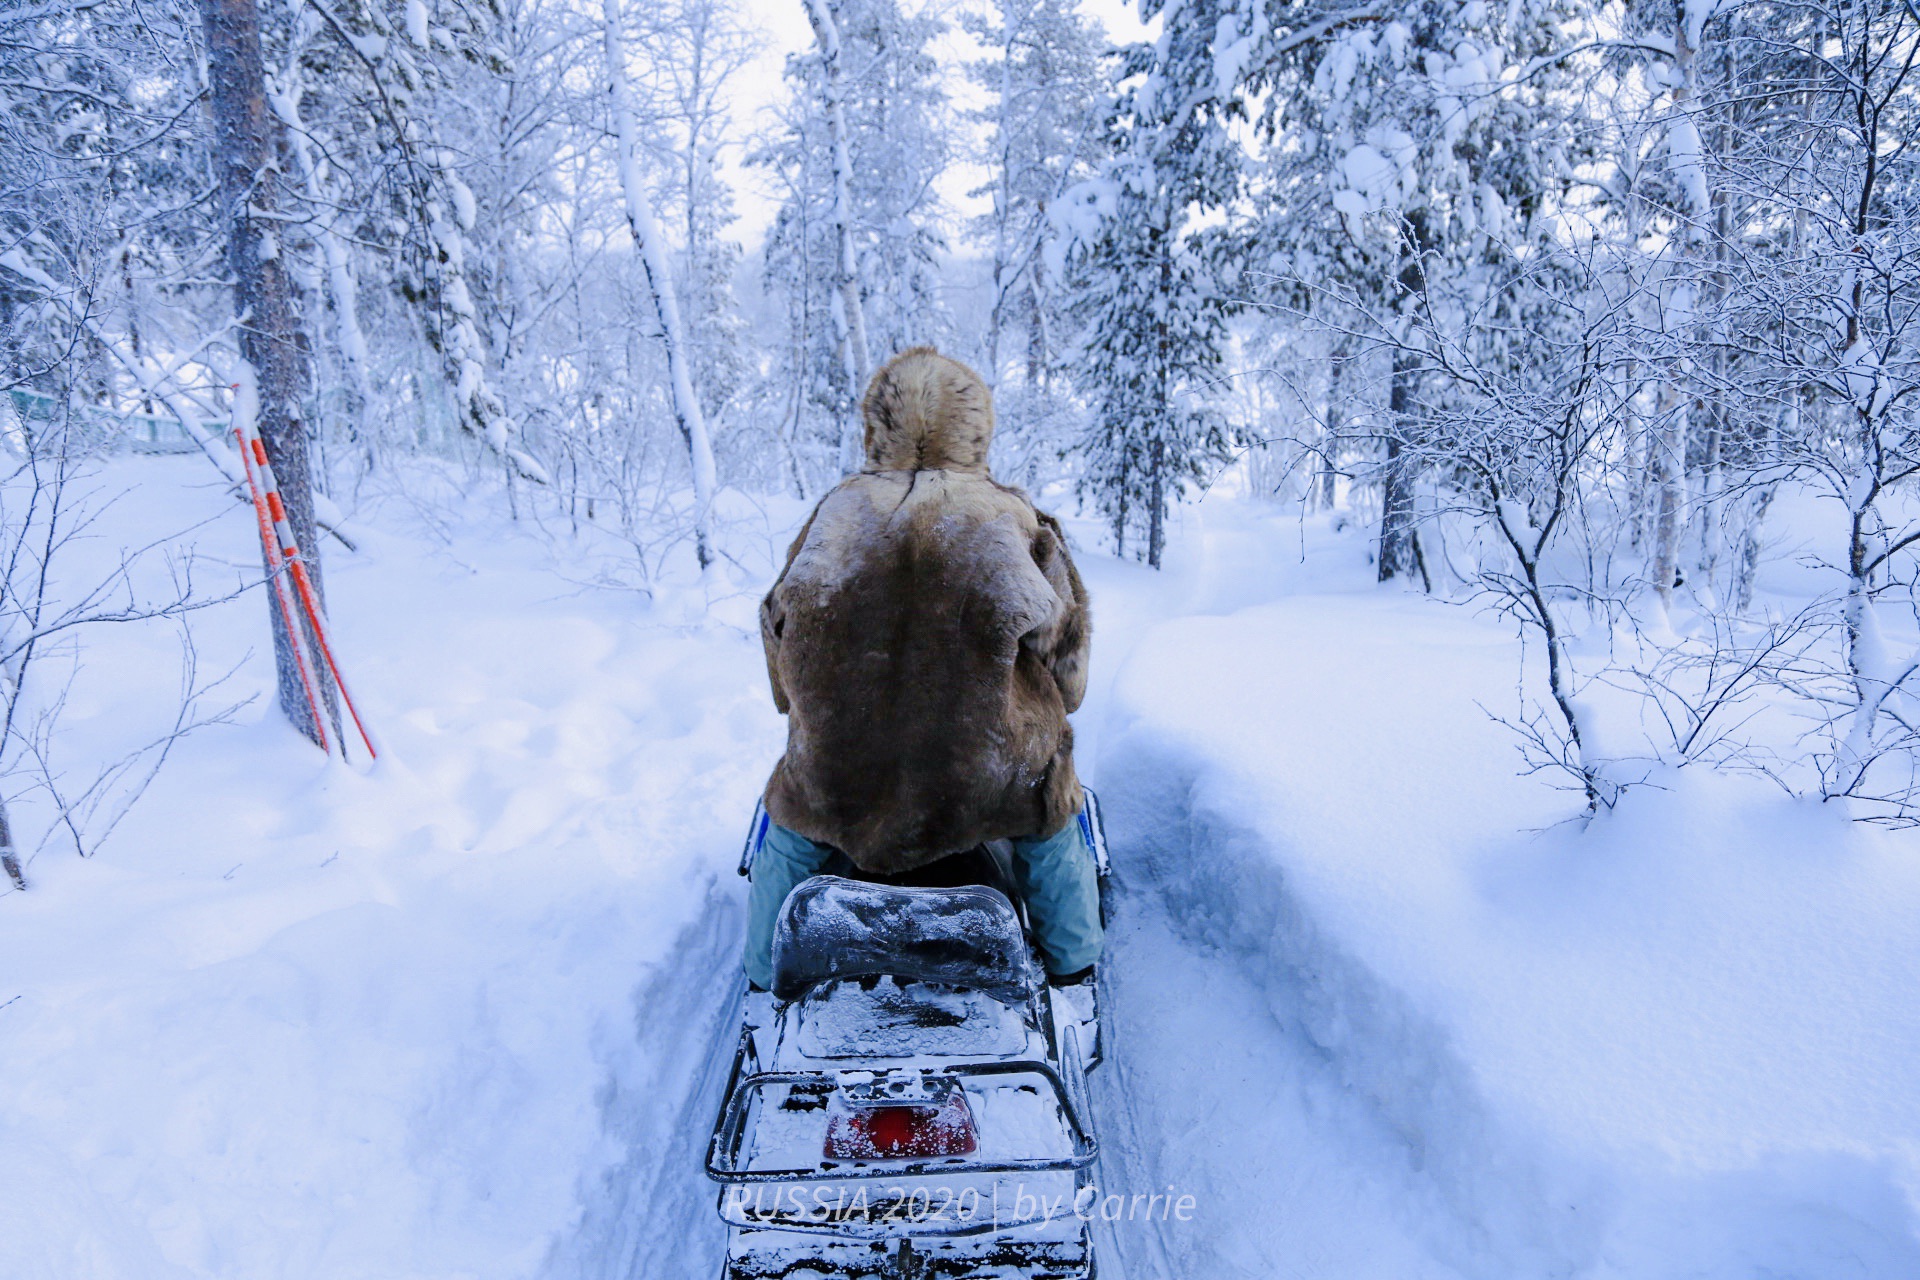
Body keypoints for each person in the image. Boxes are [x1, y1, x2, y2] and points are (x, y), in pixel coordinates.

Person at [744, 345, 1101, 992]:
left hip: (845, 775)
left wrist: (801, 708)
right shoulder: (1015, 519)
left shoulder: (835, 514)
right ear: (975, 430)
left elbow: (777, 627)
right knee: (1049, 804)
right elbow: (1067, 665)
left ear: (877, 429)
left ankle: (761, 973)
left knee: (798, 805)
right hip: (983, 776)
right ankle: (1075, 965)